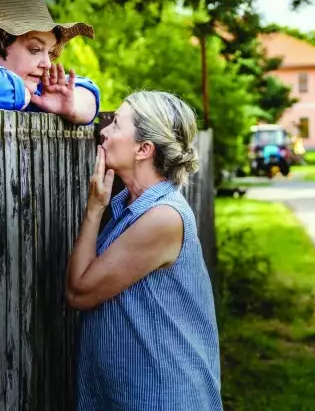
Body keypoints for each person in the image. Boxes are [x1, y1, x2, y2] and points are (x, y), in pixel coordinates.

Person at [64, 91, 222, 410]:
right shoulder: (131, 207)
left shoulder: (162, 217)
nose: (104, 131)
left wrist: (95, 208)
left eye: (116, 125)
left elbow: (79, 292)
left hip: (165, 397)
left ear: (144, 149)